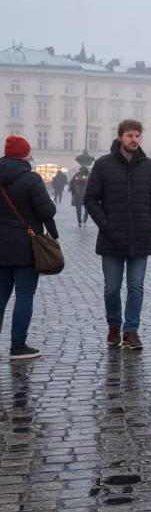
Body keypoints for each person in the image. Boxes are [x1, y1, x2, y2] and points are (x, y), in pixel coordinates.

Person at [84, 120, 151, 350]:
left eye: (137, 136)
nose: (134, 140)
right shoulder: (103, 164)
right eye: (130, 135)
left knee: (136, 286)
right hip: (111, 237)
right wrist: (105, 225)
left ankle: (131, 331)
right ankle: (114, 326)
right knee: (111, 287)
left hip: (141, 236)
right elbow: (91, 199)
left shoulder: (149, 166)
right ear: (120, 137)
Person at [0, 136, 58, 360]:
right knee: (24, 294)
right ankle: (17, 346)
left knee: (2, 293)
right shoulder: (31, 179)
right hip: (26, 246)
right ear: (25, 155)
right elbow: (47, 212)